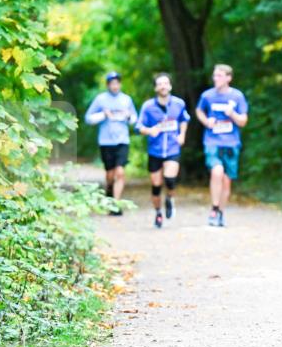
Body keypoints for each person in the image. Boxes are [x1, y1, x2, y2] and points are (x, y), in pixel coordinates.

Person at [195, 64, 248, 227]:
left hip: (231, 142)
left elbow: (243, 121)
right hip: (212, 141)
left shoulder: (237, 96)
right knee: (216, 172)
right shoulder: (207, 96)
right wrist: (206, 121)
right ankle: (214, 208)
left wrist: (231, 113)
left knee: (226, 181)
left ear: (228, 78)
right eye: (214, 75)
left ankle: (220, 213)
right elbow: (199, 111)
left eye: (219, 75)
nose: (215, 78)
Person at [136, 73, 190, 229]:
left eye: (166, 83)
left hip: (173, 148)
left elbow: (184, 120)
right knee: (156, 185)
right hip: (155, 150)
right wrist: (149, 130)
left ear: (170, 86)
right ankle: (158, 213)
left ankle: (170, 199)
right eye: (160, 84)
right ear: (155, 88)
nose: (163, 86)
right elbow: (139, 127)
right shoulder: (148, 107)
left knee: (170, 180)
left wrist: (182, 135)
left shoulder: (178, 104)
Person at [84, 71, 138, 215]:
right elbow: (88, 118)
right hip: (106, 141)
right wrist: (103, 115)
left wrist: (129, 116)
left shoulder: (126, 100)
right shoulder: (101, 99)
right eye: (112, 83)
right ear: (108, 85)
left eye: (117, 83)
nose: (115, 86)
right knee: (110, 175)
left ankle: (116, 204)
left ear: (120, 84)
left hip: (122, 140)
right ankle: (109, 191)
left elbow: (135, 120)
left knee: (120, 172)